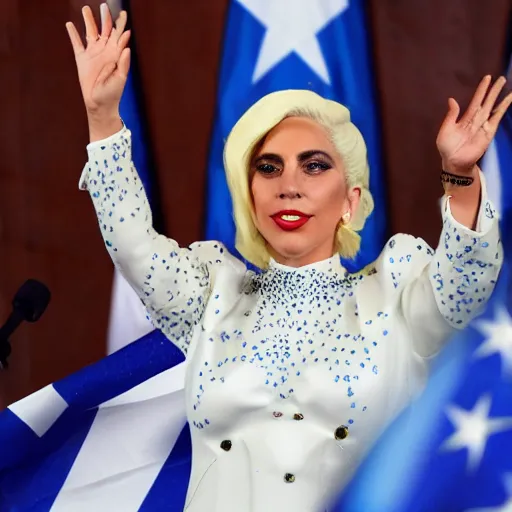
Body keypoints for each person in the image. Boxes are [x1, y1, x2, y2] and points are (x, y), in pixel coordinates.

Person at [66, 4, 510, 511]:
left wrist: (459, 176)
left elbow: (467, 285)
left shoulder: (396, 291)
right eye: (269, 169)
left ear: (350, 200)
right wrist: (102, 118)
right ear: (250, 200)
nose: (289, 186)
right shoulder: (212, 294)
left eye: (314, 166)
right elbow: (133, 244)